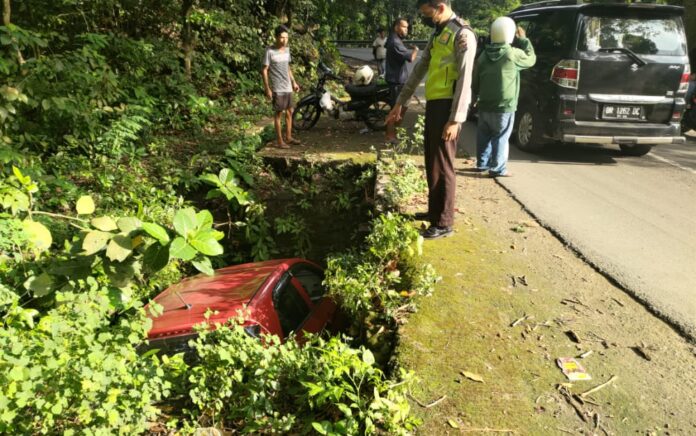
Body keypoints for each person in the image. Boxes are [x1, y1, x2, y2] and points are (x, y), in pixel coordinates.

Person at [385, 0, 477, 240]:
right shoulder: (439, 33)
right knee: (431, 159)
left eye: (428, 13)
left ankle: (444, 222)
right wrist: (400, 103)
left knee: (444, 162)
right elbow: (419, 70)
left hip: (449, 106)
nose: (425, 18)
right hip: (435, 104)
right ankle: (434, 212)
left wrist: (456, 119)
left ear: (440, 6)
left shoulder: (462, 34)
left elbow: (466, 79)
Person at [472, 17, 536, 177]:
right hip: (504, 104)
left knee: (484, 135)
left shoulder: (483, 56)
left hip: (485, 102)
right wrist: (523, 40)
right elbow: (531, 58)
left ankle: (482, 164)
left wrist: (475, 97)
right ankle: (498, 168)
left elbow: (476, 80)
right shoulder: (512, 54)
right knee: (500, 136)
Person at [261, 25, 301, 149]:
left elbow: (288, 67)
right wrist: (267, 88)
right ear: (276, 37)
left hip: (288, 86)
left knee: (290, 111)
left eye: (286, 38)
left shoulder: (287, 50)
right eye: (282, 38)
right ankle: (280, 141)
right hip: (277, 88)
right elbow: (264, 70)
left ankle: (288, 137)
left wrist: (294, 82)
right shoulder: (269, 51)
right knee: (278, 114)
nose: (285, 40)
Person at [384, 17, 419, 143]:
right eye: (404, 27)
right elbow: (410, 57)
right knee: (396, 109)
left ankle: (394, 133)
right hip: (396, 80)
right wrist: (415, 50)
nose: (406, 30)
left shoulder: (394, 39)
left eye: (407, 27)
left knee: (402, 107)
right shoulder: (395, 42)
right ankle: (390, 136)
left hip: (398, 79)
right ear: (396, 27)